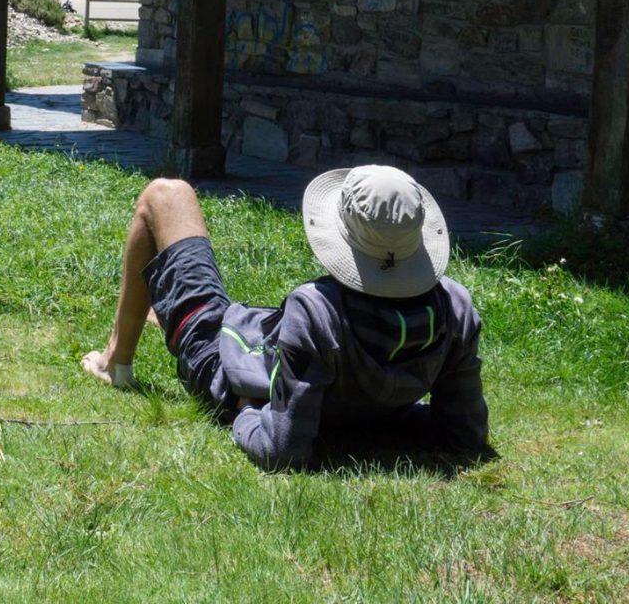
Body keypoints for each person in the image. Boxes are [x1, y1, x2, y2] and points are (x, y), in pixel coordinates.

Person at [81, 165, 489, 471]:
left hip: (228, 364)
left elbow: (283, 450)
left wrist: (244, 407)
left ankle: (115, 360)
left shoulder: (317, 311)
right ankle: (166, 314)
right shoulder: (455, 308)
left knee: (166, 194)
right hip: (329, 384)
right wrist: (389, 417)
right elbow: (465, 433)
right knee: (240, 315)